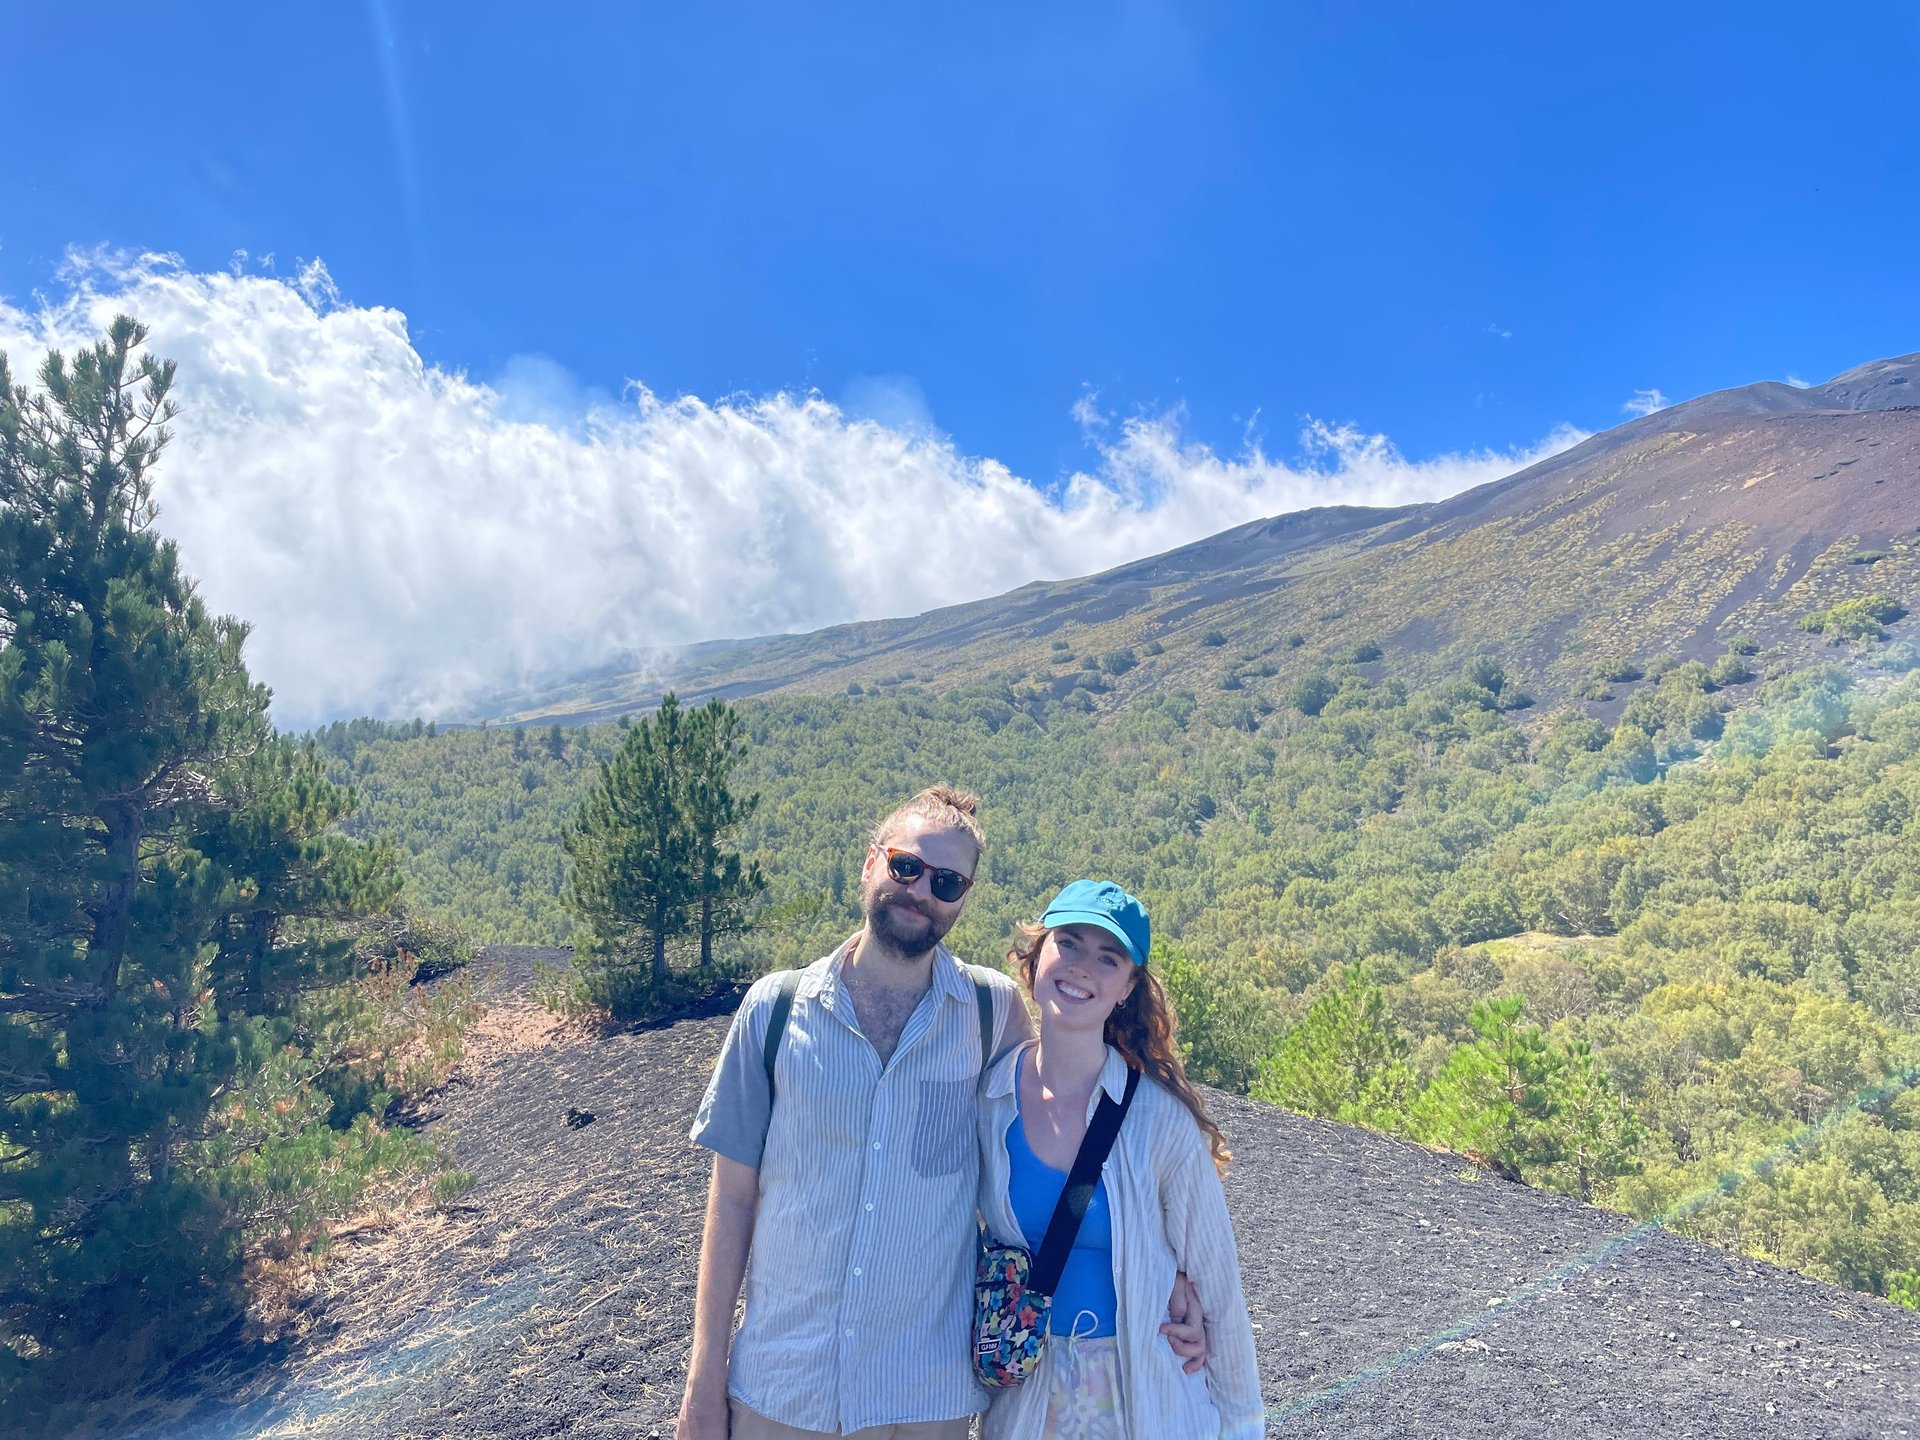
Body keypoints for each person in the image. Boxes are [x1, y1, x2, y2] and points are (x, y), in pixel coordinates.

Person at [678, 788, 1207, 1440]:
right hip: (782, 1393)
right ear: (872, 862)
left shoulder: (990, 1016)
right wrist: (703, 1383)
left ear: (963, 897)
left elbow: (1072, 1133)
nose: (921, 890)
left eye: (947, 881)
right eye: (907, 867)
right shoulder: (774, 1012)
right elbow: (731, 1200)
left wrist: (1168, 1275)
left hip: (926, 1403)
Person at [978, 880, 1264, 1440]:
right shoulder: (987, 1103)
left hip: (1146, 1398)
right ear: (1037, 956)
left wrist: (1243, 1425)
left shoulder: (1159, 1124)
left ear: (1128, 987)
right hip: (1026, 1407)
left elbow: (1218, 1289)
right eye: (1070, 943)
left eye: (1108, 958)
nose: (1083, 967)